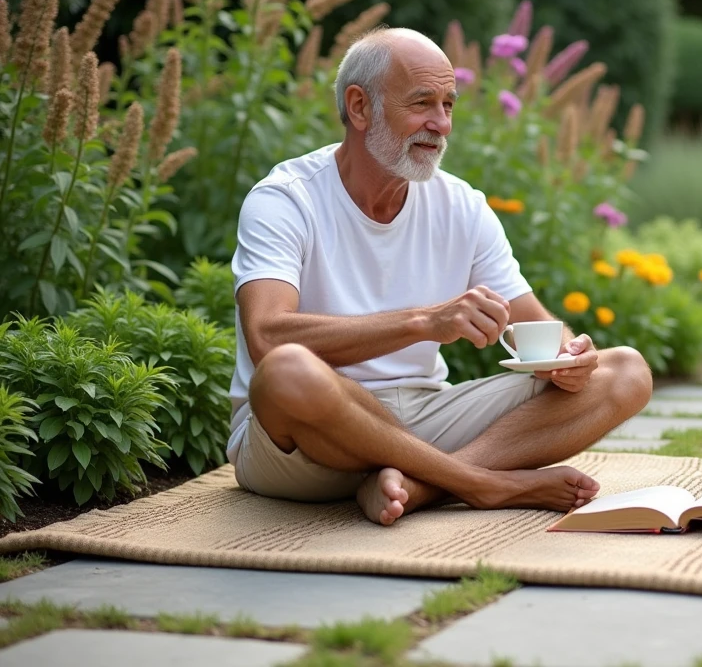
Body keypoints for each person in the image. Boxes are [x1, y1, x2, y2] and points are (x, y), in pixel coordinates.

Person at [224, 26, 653, 526]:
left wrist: (567, 356)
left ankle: (418, 487)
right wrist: (424, 321)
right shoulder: (286, 198)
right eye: (423, 103)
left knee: (624, 371)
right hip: (304, 443)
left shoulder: (462, 206)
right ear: (360, 107)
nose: (442, 124)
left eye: (449, 104)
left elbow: (533, 325)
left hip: (425, 419)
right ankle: (481, 484)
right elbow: (266, 336)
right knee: (286, 371)